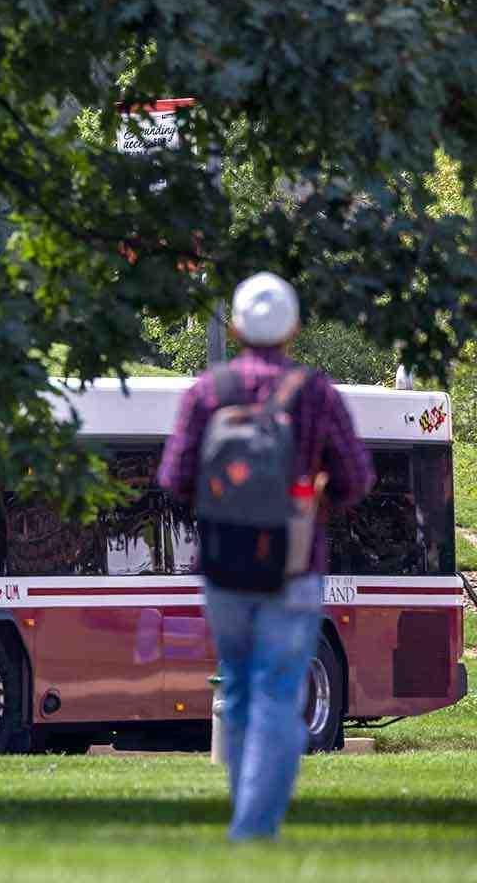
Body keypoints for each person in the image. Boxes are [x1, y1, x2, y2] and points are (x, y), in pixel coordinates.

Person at [157, 272, 372, 842]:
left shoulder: (207, 391)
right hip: (295, 566)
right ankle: (255, 828)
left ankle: (247, 820)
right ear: (295, 329)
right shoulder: (315, 393)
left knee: (240, 688)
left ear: (235, 328)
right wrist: (317, 499)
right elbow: (356, 477)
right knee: (280, 692)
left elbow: (174, 477)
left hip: (224, 569)